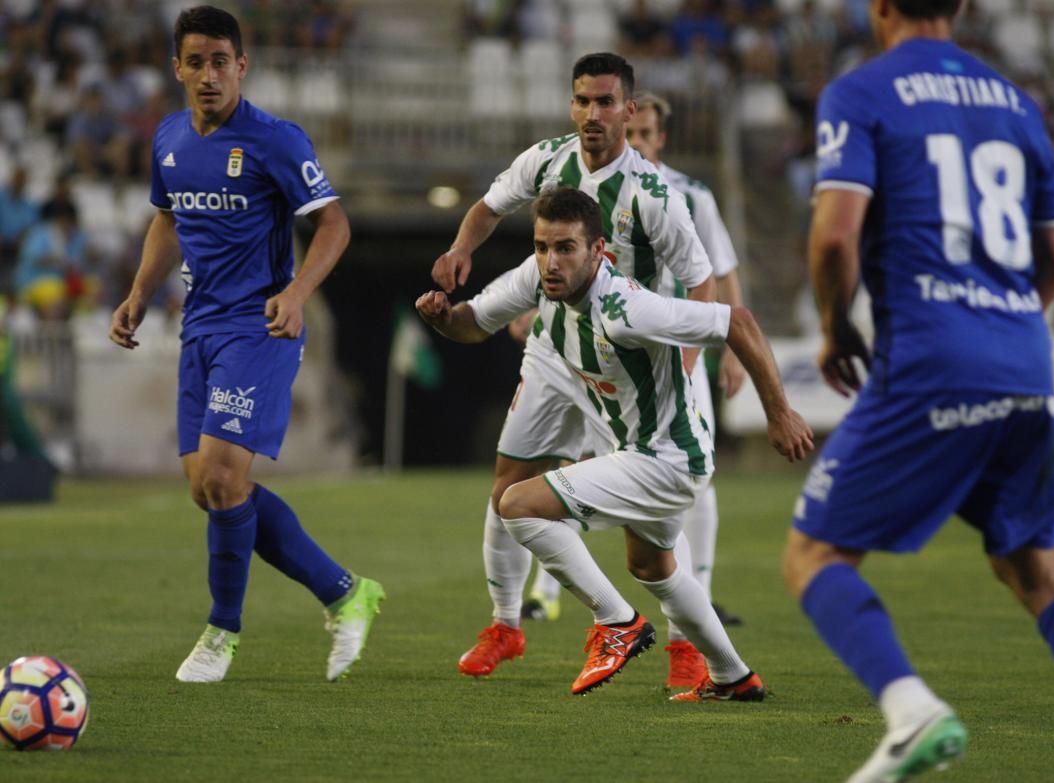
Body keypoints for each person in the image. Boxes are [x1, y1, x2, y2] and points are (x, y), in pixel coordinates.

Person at [781, 2, 1054, 782]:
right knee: (1036, 568)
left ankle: (910, 708)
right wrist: (1001, 327)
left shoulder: (861, 92)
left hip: (930, 359)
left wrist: (834, 327)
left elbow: (832, 235)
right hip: (1025, 361)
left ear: (878, 7)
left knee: (814, 554)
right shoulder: (1016, 102)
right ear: (957, 6)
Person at [418, 186, 814, 699]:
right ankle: (733, 677)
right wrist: (442, 320)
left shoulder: (627, 308)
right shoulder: (541, 282)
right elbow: (472, 324)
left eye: (565, 248)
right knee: (652, 566)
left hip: (665, 459)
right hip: (645, 453)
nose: (550, 262)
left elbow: (737, 322)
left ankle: (617, 622)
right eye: (541, 247)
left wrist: (779, 413)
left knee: (517, 504)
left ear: (598, 251)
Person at [108, 5, 383, 684]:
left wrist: (294, 295)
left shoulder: (274, 140)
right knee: (210, 489)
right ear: (177, 68)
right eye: (195, 62)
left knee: (226, 479)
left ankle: (221, 631)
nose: (209, 75)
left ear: (242, 66)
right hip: (199, 327)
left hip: (261, 326)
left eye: (221, 61)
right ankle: (347, 592)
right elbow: (167, 221)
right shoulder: (170, 137)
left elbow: (335, 226)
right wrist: (140, 293)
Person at [431, 52, 719, 688]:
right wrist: (457, 251)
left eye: (606, 102)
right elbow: (486, 208)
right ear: (572, 104)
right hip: (555, 350)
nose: (594, 113)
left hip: (628, 366)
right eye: (583, 101)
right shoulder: (548, 159)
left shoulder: (654, 196)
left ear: (629, 110)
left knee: (655, 522)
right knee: (509, 482)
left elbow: (702, 284)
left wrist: (686, 369)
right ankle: (506, 624)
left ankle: (683, 648)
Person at [523, 89, 749, 638]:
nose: (641, 142)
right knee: (564, 457)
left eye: (649, 134)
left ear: (658, 137)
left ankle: (692, 599)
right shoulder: (585, 187)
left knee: (689, 477)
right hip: (597, 344)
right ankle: (547, 592)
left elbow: (717, 273)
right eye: (636, 133)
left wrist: (706, 358)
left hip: (668, 348)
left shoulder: (687, 194)